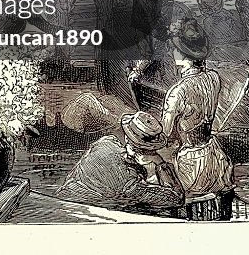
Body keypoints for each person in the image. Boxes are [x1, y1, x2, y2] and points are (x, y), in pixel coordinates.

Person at [161, 19, 235, 215]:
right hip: (215, 158)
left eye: (173, 48)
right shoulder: (213, 78)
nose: (170, 53)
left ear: (181, 53)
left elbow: (165, 134)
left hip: (192, 166)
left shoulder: (177, 91)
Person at [55, 110, 184, 216]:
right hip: (84, 214)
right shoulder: (130, 183)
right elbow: (177, 198)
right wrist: (160, 162)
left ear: (128, 135)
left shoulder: (105, 143)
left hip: (61, 204)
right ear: (150, 149)